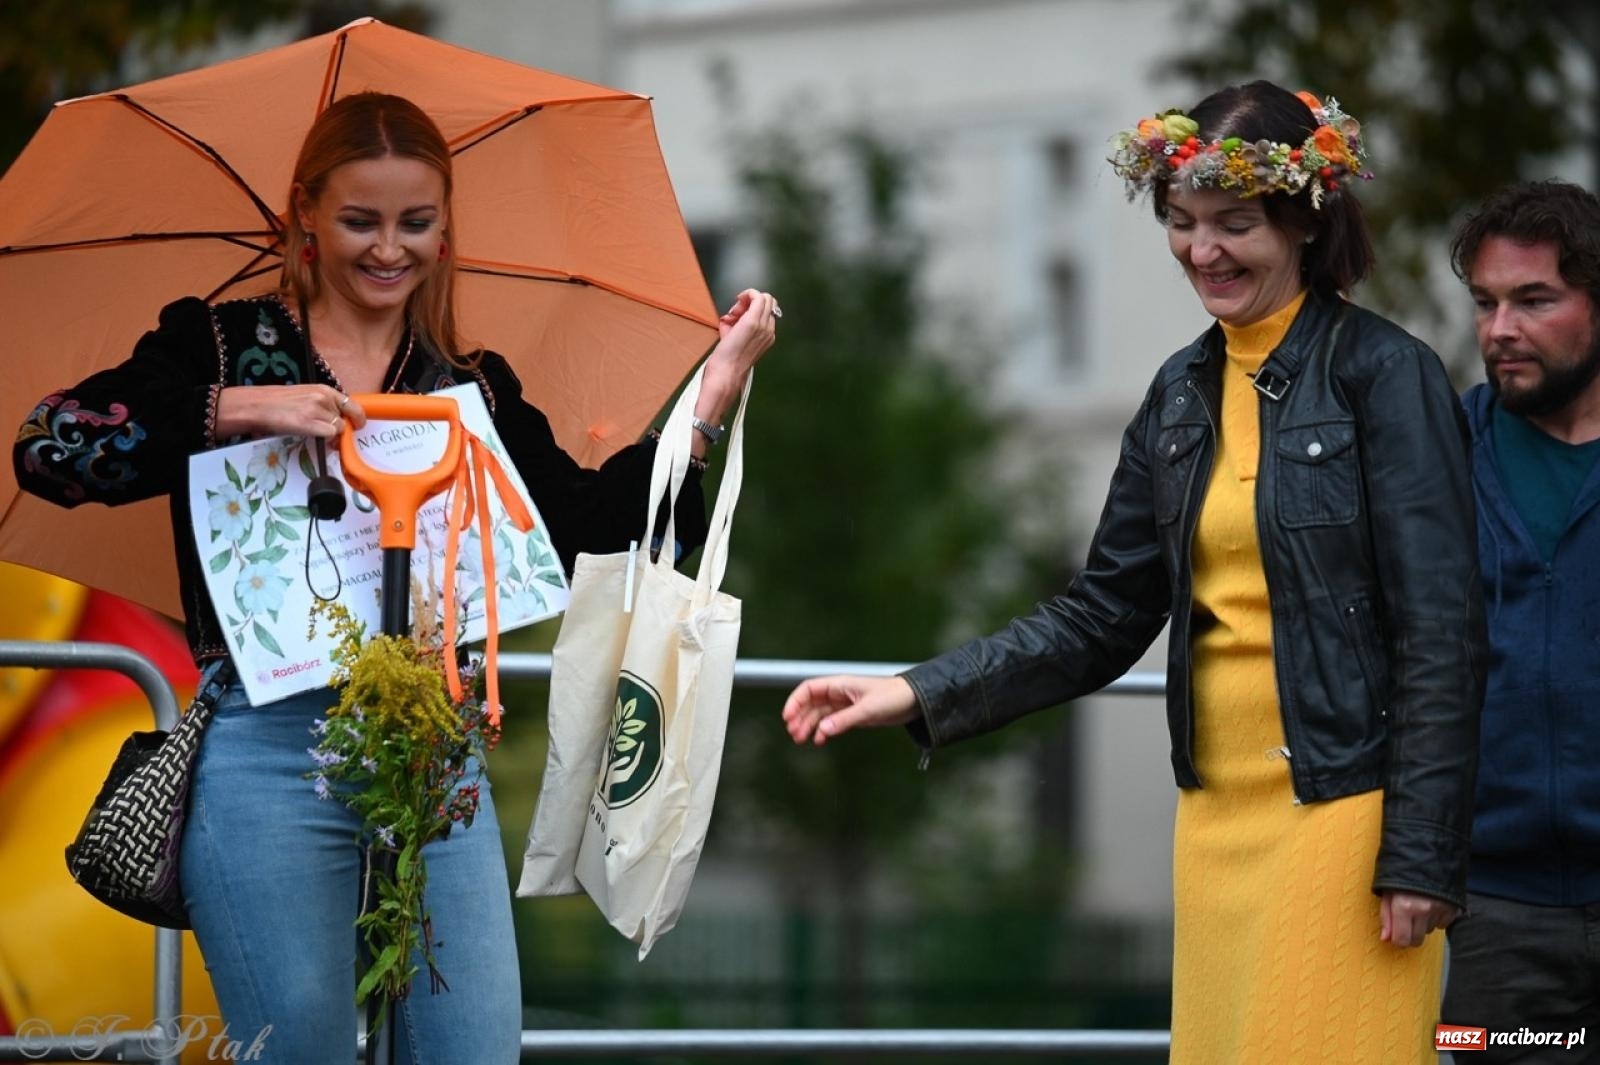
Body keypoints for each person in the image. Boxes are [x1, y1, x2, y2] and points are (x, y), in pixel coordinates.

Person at [12, 92, 777, 1064]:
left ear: (445, 229)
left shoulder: (469, 386)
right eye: (359, 220)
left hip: (435, 758)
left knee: (475, 1048)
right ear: (306, 214)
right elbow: (53, 449)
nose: (388, 248)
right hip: (269, 752)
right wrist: (240, 410)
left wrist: (711, 392)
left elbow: (596, 526)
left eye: (415, 222)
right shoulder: (219, 345)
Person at [782, 81, 1485, 1063]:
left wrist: (1420, 854)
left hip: (1345, 821)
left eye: (1234, 224)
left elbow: (1442, 628)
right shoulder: (1179, 393)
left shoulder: (1386, 373)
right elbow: (1102, 614)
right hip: (1214, 823)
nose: (1202, 251)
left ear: (1303, 220)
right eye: (1181, 222)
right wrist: (915, 690)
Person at [1439, 180, 1600, 1060]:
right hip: (1494, 914)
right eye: (1486, 302)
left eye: (1534, 300)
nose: (1500, 328)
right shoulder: (1440, 454)